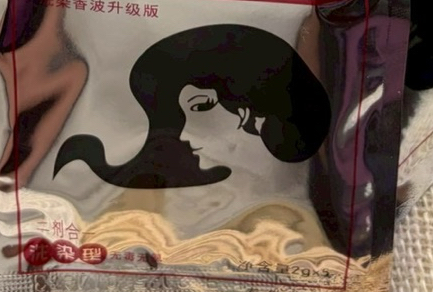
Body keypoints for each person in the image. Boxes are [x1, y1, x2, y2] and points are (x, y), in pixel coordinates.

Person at [54, 23, 330, 189]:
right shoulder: (267, 70)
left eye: (255, 128)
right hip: (155, 71)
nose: (248, 123)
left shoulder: (267, 85)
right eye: (259, 124)